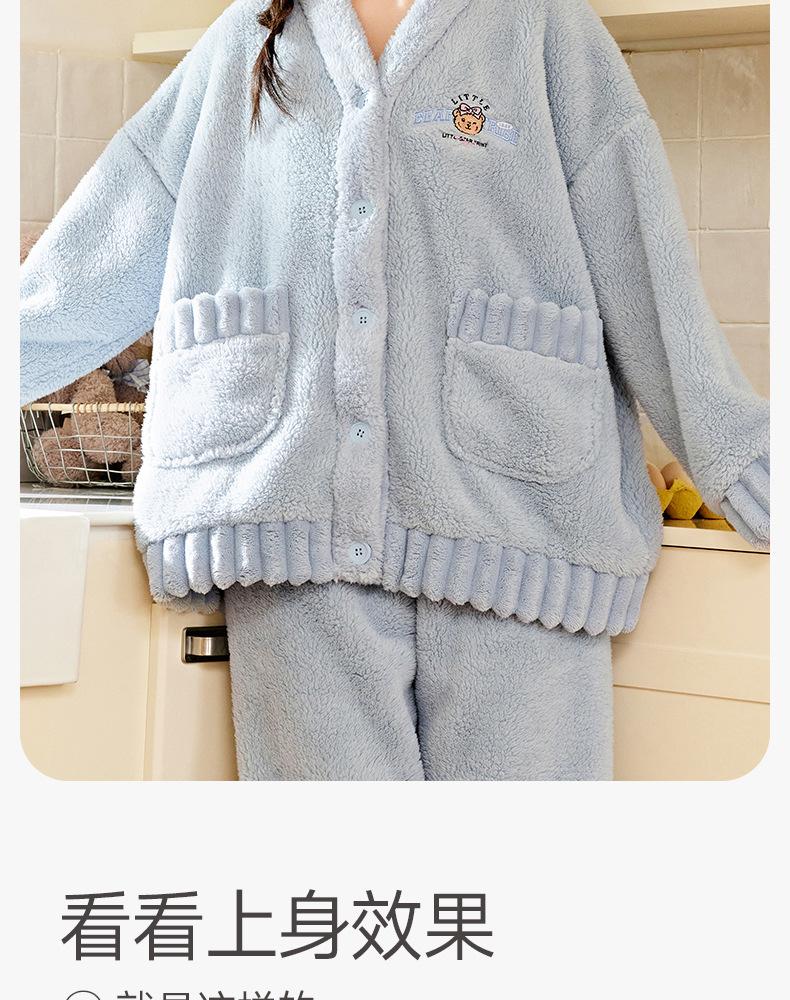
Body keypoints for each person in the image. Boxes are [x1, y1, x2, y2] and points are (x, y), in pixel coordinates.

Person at [20, 0, 769, 781]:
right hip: (296, 534)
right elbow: (118, 224)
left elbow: (640, 252)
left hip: (515, 520)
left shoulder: (542, 25)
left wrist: (740, 454)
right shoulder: (251, 38)